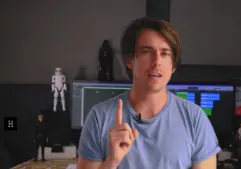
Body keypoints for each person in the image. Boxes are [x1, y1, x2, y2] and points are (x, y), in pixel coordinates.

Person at [77, 17, 221, 169]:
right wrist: (112, 161)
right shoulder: (99, 118)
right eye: (147, 52)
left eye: (165, 53)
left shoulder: (195, 119)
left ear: (173, 65)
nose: (157, 62)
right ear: (129, 60)